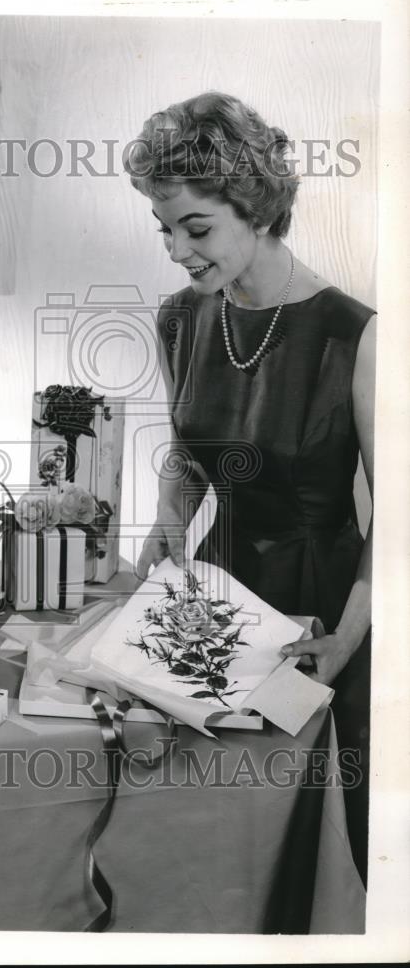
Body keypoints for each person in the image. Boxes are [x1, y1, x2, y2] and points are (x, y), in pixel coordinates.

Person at [125, 91, 375, 883]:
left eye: (194, 229)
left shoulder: (355, 335)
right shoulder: (179, 318)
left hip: (325, 605)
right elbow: (191, 451)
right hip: (213, 591)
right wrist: (168, 517)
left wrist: (345, 637)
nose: (175, 250)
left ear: (258, 208)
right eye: (164, 229)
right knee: (201, 834)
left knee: (300, 836)